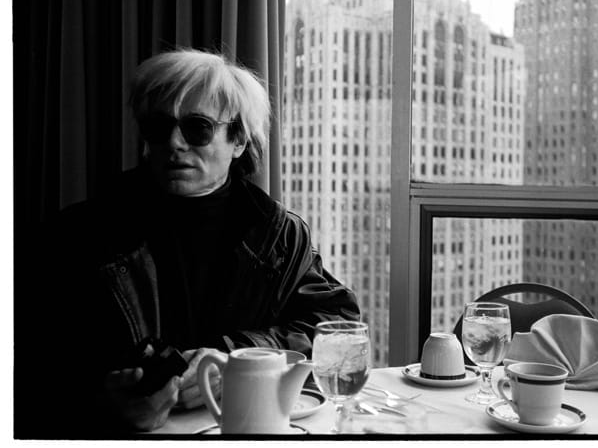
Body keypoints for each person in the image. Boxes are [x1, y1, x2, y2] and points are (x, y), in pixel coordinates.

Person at [21, 49, 360, 437]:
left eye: (197, 127)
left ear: (238, 140)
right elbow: (30, 356)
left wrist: (241, 355)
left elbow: (339, 328)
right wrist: (98, 400)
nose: (174, 142)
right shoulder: (79, 232)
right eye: (157, 126)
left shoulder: (279, 235)